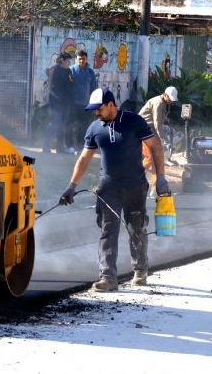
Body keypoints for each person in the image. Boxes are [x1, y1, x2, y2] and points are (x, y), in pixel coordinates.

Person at [58, 88, 170, 292]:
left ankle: (140, 270)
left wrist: (160, 178)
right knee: (108, 230)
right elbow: (84, 158)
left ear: (111, 105)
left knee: (136, 228)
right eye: (93, 110)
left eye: (99, 109)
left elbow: (155, 146)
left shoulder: (134, 121)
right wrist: (71, 186)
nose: (96, 113)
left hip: (135, 185)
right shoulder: (94, 128)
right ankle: (108, 277)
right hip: (108, 186)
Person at [42, 52, 74, 154]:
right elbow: (52, 88)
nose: (69, 62)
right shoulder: (55, 70)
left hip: (65, 103)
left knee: (62, 125)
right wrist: (56, 102)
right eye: (68, 60)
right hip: (56, 103)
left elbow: (70, 85)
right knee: (54, 124)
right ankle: (45, 146)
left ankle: (60, 148)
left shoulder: (68, 71)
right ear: (63, 60)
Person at [69, 50, 98, 149]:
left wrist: (93, 103)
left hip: (86, 104)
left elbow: (94, 88)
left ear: (86, 59)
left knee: (84, 126)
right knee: (71, 125)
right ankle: (70, 146)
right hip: (73, 104)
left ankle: (82, 146)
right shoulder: (71, 70)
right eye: (80, 59)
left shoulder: (90, 72)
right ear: (76, 59)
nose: (82, 61)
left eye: (83, 59)